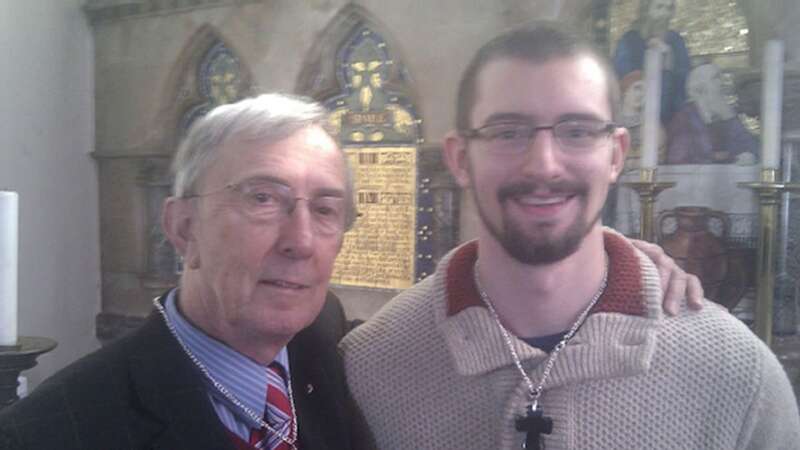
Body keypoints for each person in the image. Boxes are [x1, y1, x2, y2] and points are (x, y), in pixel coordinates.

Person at [340, 23, 800, 450]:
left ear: (617, 154)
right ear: (460, 158)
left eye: (577, 131)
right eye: (508, 132)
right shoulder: (370, 367)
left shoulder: (737, 374)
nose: (544, 164)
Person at [0, 94, 367, 450]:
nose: (301, 242)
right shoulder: (47, 434)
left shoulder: (321, 338)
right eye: (263, 198)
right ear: (183, 227)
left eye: (324, 210)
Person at [613, 0, 691, 124]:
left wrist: (668, 58)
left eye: (669, 8)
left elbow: (683, 82)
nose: (664, 14)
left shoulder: (676, 41)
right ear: (646, 10)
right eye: (659, 7)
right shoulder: (629, 40)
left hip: (671, 114)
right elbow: (624, 80)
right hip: (635, 113)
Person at [666, 62, 758, 164]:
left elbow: (751, 147)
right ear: (699, 88)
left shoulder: (725, 112)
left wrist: (729, 117)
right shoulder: (684, 119)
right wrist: (715, 157)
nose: (721, 83)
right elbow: (678, 159)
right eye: (715, 78)